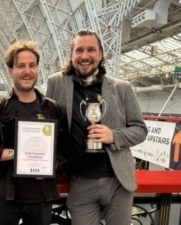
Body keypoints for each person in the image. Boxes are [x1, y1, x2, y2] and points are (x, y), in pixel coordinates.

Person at [46, 29, 148, 225]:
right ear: (71, 55)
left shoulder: (122, 88)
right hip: (80, 182)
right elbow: (49, 126)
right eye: (79, 50)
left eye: (91, 50)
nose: (85, 56)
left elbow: (140, 130)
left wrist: (113, 135)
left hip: (118, 182)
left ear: (100, 54)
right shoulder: (56, 83)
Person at [0, 40, 70, 225]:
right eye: (21, 66)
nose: (27, 71)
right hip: (3, 197)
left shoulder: (53, 109)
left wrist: (52, 167)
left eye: (32, 65)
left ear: (37, 68)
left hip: (41, 198)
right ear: (11, 71)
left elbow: (65, 150)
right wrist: (14, 154)